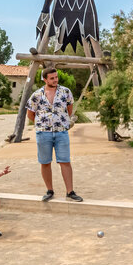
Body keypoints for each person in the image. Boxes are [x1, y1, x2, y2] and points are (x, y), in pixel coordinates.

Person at [26, 67, 82, 202]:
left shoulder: (65, 92)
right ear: (45, 79)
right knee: (45, 162)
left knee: (65, 161)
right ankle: (49, 190)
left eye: (56, 77)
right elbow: (30, 114)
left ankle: (70, 192)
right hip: (43, 133)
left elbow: (69, 110)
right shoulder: (36, 95)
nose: (55, 80)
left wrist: (61, 122)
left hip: (61, 132)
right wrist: (43, 124)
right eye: (52, 78)